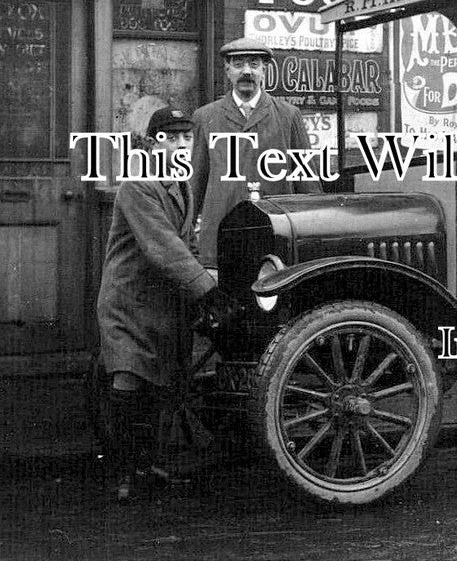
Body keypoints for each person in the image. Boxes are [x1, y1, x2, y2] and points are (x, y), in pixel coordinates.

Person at [95, 107, 234, 502]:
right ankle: (126, 474)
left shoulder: (182, 186)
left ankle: (148, 466)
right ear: (153, 143)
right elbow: (163, 247)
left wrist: (212, 279)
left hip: (163, 302)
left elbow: (186, 244)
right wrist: (206, 289)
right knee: (129, 380)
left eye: (186, 138)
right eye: (170, 138)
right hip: (130, 302)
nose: (180, 145)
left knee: (161, 387)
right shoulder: (138, 186)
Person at [191, 38, 319, 270]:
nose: (247, 71)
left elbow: (307, 185)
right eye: (239, 64)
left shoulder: (288, 116)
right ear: (227, 70)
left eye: (254, 64)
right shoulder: (205, 117)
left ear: (264, 70)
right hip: (220, 240)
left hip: (276, 240)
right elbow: (195, 184)